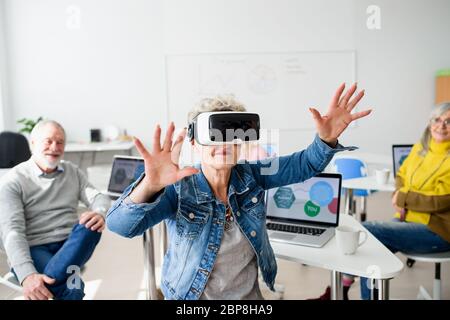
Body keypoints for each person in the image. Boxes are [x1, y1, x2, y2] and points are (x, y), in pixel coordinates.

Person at [106, 83, 371, 300]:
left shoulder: (252, 175)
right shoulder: (178, 189)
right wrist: (150, 186)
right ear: (194, 143)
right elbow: (121, 226)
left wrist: (326, 140)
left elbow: (304, 164)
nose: (224, 142)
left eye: (232, 133)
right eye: (213, 133)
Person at [315, 102, 450, 300]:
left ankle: (342, 288)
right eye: (437, 120)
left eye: (448, 121)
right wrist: (401, 195)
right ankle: (344, 288)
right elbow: (402, 174)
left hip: (438, 230)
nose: (442, 125)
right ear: (430, 123)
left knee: (369, 230)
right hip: (410, 220)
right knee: (370, 248)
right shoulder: (423, 147)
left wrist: (402, 198)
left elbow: (440, 200)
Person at [0, 120, 110, 300]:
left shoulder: (72, 171)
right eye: (48, 141)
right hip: (35, 247)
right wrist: (27, 275)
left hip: (71, 246)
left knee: (90, 226)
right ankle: (54, 278)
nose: (54, 147)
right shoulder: (13, 181)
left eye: (60, 142)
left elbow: (98, 197)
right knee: (72, 290)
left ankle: (48, 279)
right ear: (32, 143)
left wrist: (99, 212)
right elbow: (12, 233)